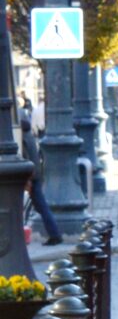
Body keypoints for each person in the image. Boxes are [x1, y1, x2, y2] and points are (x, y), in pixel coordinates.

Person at [16, 102, 59, 245]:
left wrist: (28, 179)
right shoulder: (29, 136)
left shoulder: (22, 138)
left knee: (41, 206)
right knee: (40, 206)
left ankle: (55, 234)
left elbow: (27, 158)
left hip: (32, 175)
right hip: (35, 174)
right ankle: (54, 234)